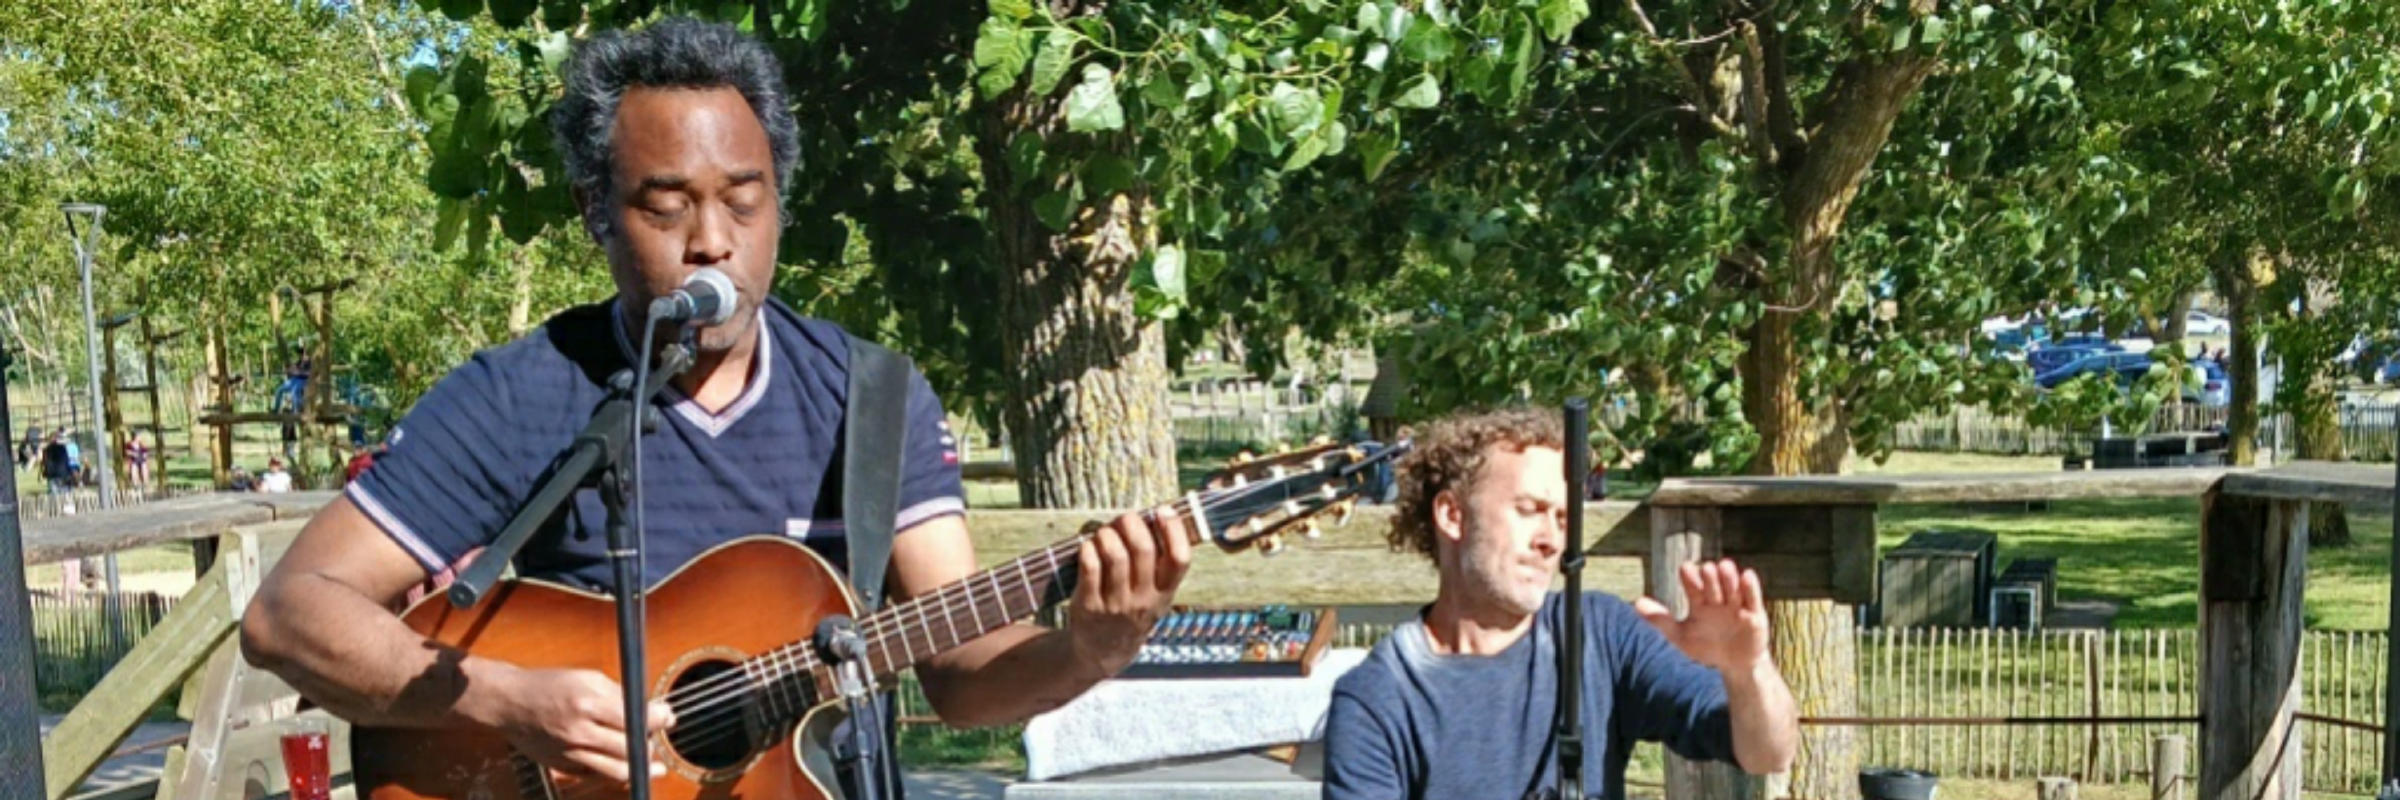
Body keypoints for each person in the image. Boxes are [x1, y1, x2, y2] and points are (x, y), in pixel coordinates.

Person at [239, 18, 1190, 796]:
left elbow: (962, 674)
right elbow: (289, 615)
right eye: (665, 206)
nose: (712, 243)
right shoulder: (516, 395)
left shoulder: (874, 398)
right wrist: (507, 700)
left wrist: (1089, 649)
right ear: (597, 213)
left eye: (745, 201)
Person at [1323, 407, 1799, 800]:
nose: (1551, 538)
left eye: (1563, 517)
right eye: (1528, 510)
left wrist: (1747, 669)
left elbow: (1768, 752)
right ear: (1452, 515)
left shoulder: (1601, 634)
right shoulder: (1377, 700)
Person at [273, 344, 312, 414]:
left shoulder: (309, 362)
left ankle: (295, 411)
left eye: (301, 355)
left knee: (294, 392)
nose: (300, 356)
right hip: (294, 380)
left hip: (303, 380)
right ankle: (276, 409)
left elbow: (309, 373)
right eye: (299, 355)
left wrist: (299, 373)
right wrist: (288, 370)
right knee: (279, 390)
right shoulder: (299, 362)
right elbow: (293, 368)